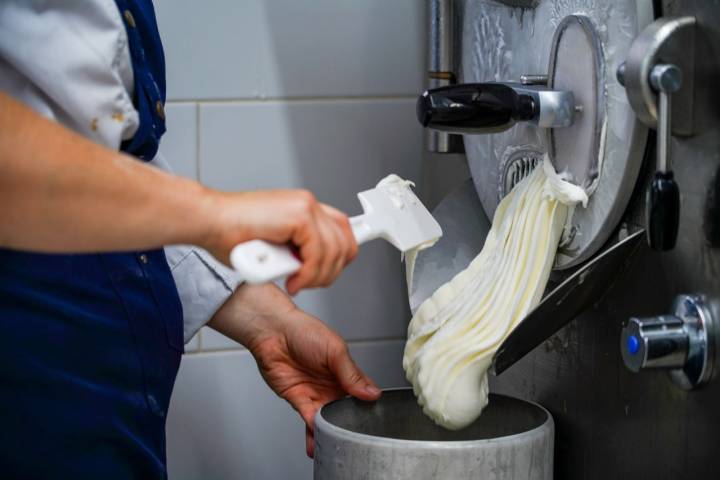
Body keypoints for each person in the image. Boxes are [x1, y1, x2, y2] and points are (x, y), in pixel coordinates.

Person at [0, 1, 381, 478]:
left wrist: (266, 321)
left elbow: (102, 164)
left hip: (105, 397)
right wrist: (215, 214)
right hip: (28, 368)